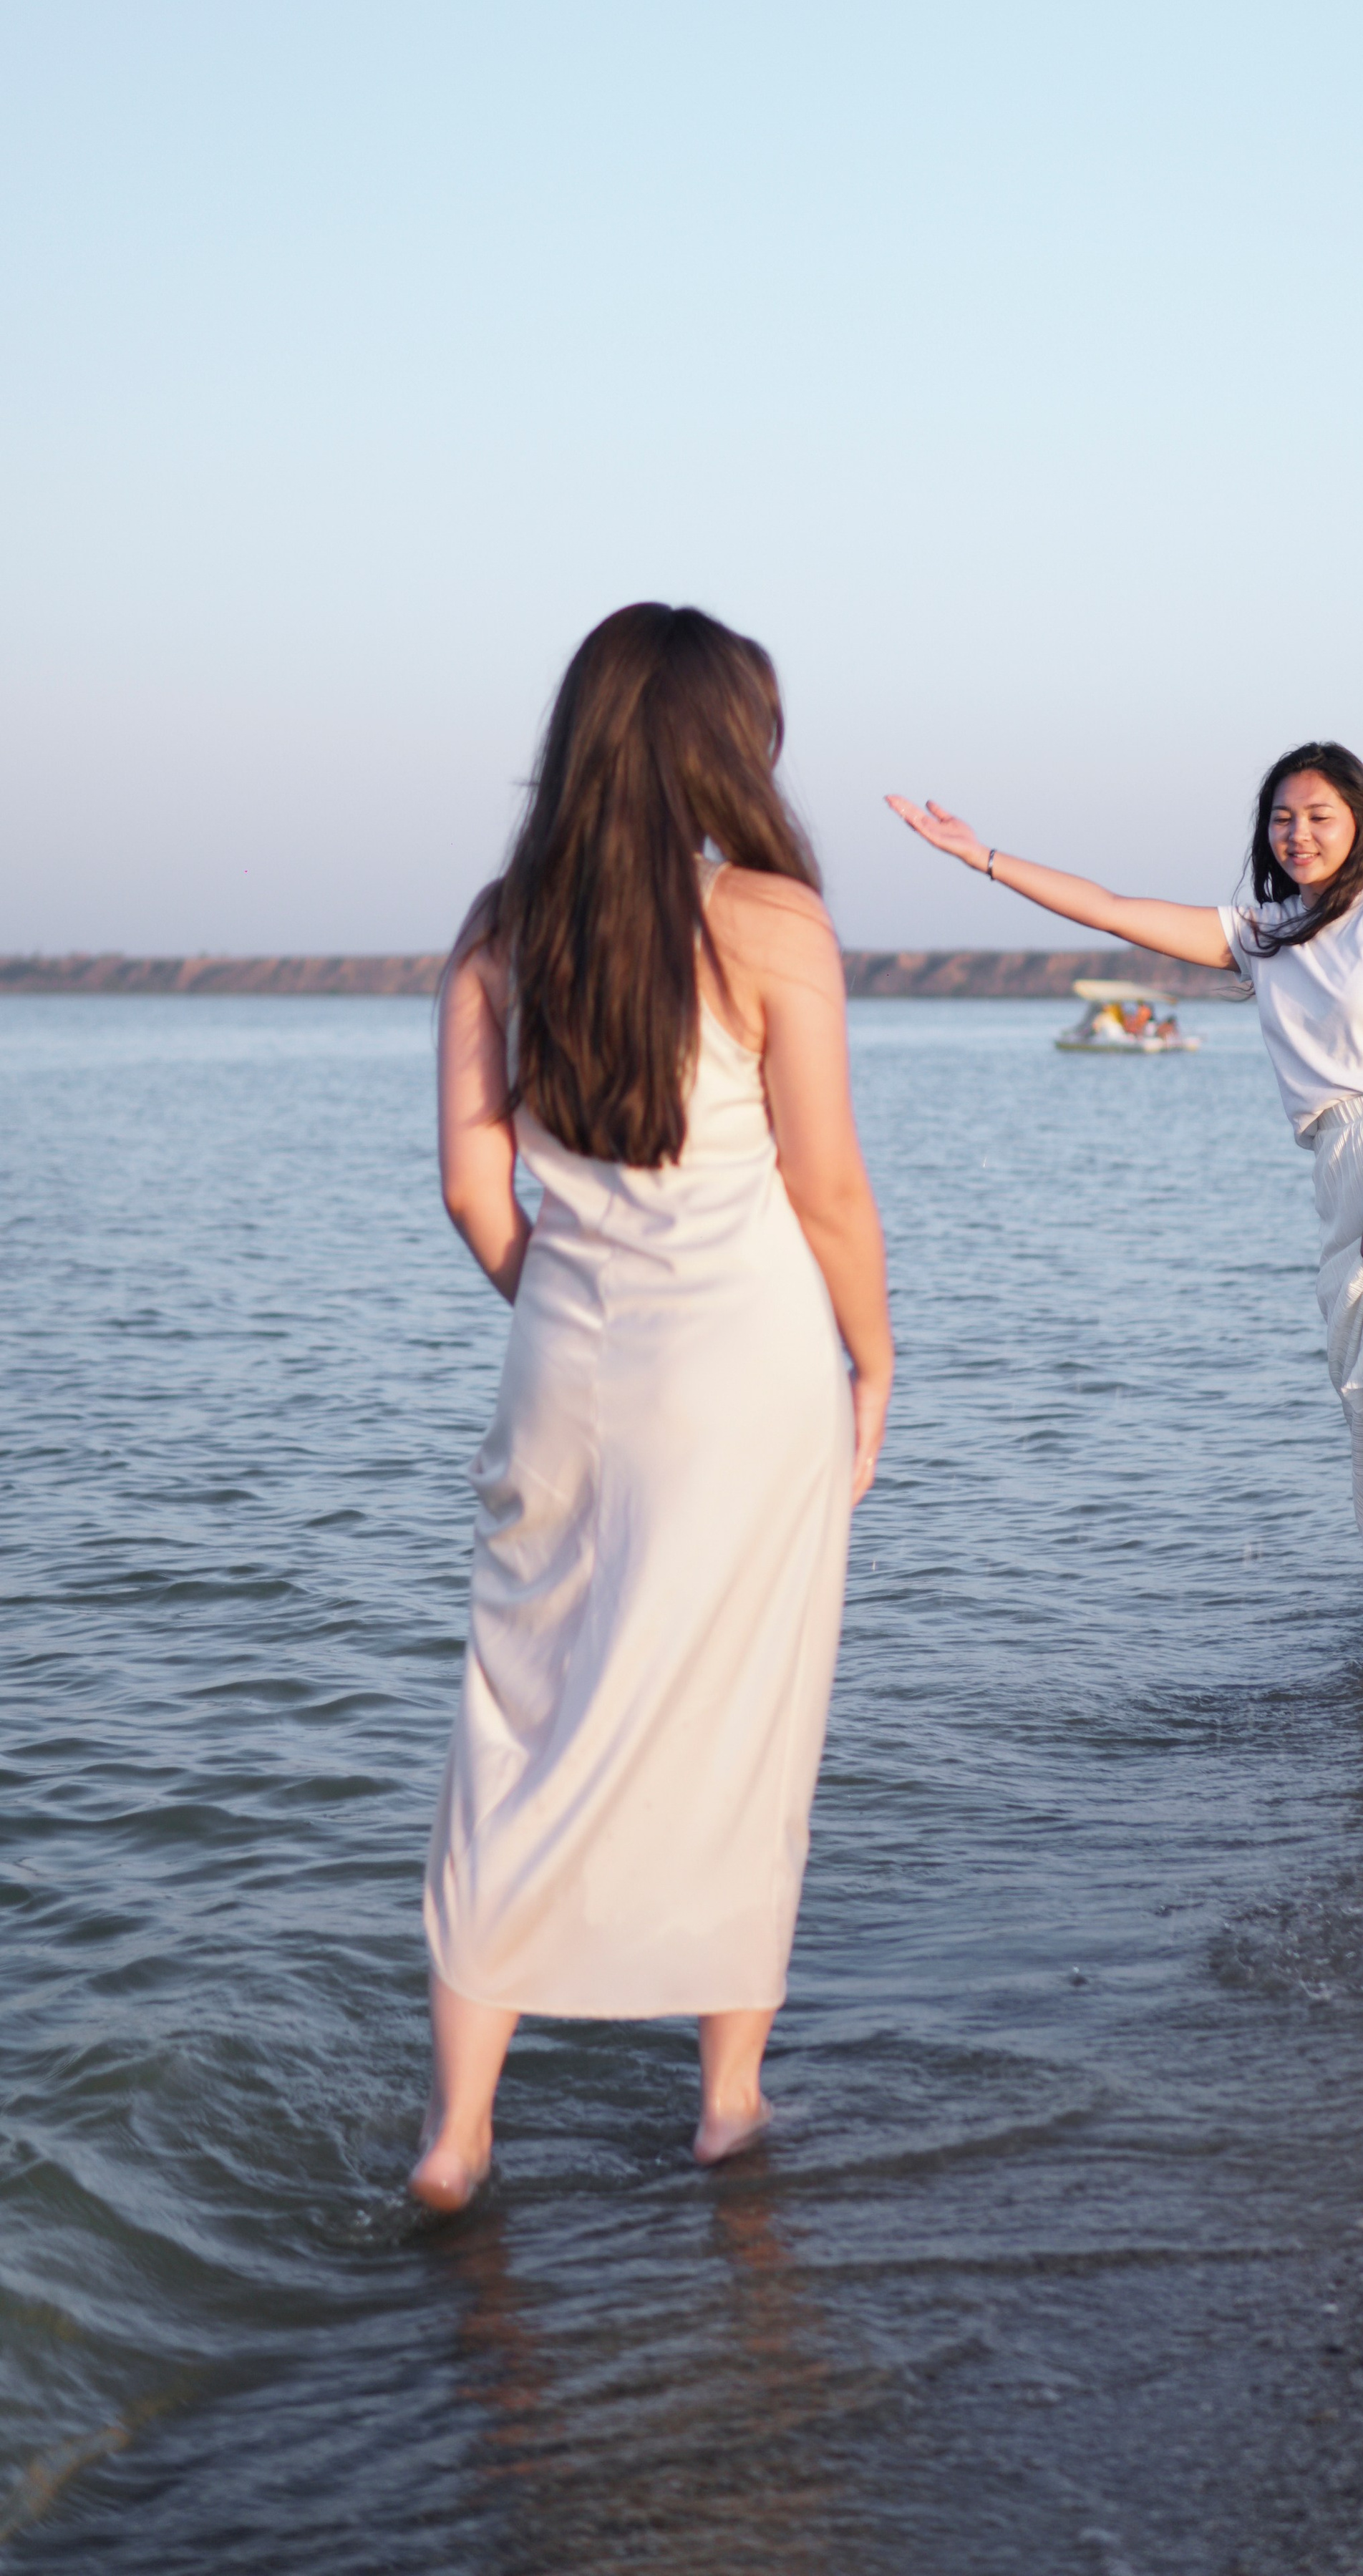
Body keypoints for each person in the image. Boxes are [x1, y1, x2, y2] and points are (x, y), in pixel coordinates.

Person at [414, 603, 893, 2212]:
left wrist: (566, 1302)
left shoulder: (498, 929)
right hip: (744, 1368)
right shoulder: (768, 918)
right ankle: (726, 2100)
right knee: (745, 1721)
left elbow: (476, 1193)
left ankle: (459, 2137)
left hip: (562, 1361)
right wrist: (874, 1360)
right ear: (715, 741)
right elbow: (822, 1182)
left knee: (515, 1712)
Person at [887, 747, 1363, 1696]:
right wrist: (982, 857)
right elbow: (1107, 907)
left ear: (1361, 824)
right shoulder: (1261, 935)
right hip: (1345, 1180)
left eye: (1320, 816)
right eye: (1282, 818)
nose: (1298, 833)